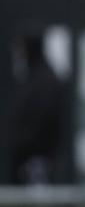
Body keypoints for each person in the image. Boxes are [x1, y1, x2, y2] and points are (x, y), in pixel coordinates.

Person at [6, 26, 65, 185]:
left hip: (38, 166)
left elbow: (37, 128)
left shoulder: (44, 82)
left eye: (20, 48)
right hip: (26, 166)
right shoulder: (31, 79)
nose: (18, 54)